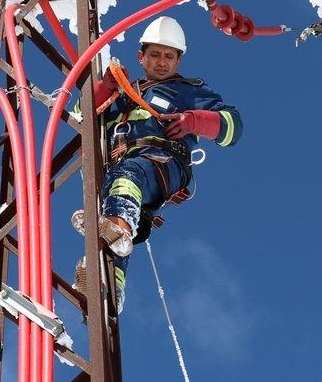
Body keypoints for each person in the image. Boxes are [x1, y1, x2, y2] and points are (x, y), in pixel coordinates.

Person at [73, 16, 243, 314]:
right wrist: (105, 87)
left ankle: (116, 231)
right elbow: (80, 116)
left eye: (169, 56)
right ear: (141, 57)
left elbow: (233, 127)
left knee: (129, 180)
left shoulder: (188, 90)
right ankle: (110, 285)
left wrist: (193, 120)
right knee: (117, 202)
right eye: (155, 54)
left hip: (163, 163)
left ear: (179, 59)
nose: (162, 62)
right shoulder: (123, 91)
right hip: (118, 167)